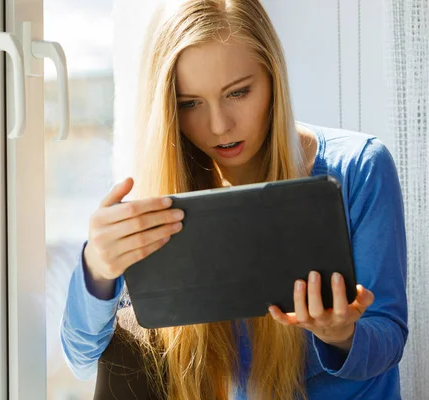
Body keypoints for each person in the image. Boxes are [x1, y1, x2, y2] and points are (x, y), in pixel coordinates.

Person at [60, 0, 408, 398]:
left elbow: (389, 339)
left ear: (273, 77)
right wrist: (97, 270)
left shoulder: (357, 168)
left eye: (238, 92)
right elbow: (82, 356)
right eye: (190, 103)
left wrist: (342, 333)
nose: (219, 126)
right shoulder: (160, 195)